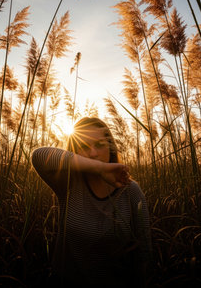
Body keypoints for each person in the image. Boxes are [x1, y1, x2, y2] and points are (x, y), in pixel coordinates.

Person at [31, 117, 152, 288]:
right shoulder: (67, 183)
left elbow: (144, 252)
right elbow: (39, 155)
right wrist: (100, 168)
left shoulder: (130, 191)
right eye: (84, 147)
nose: (93, 153)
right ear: (74, 151)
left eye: (100, 145)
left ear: (110, 147)